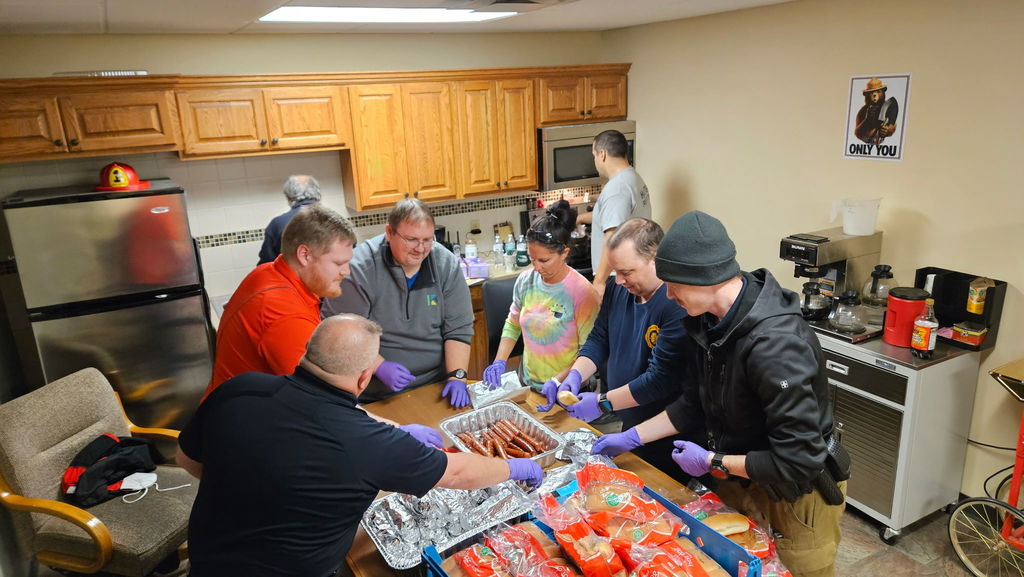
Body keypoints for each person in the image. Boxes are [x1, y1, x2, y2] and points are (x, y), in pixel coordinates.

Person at [177, 314, 543, 577]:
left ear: (307, 352)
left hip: (206, 562)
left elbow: (186, 460)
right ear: (365, 377)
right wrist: (517, 467)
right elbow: (458, 471)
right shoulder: (367, 444)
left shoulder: (239, 389)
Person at [591, 211, 848, 577]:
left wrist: (713, 462)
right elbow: (692, 404)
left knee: (797, 567)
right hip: (740, 477)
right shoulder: (704, 322)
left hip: (795, 492)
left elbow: (799, 459)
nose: (668, 294)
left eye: (672, 284)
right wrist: (631, 437)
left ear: (702, 279)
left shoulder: (775, 346)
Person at [535, 218, 695, 478]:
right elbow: (599, 339)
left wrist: (603, 404)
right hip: (631, 420)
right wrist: (576, 374)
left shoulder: (675, 304)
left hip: (667, 431)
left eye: (627, 272)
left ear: (655, 259)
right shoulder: (618, 290)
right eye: (615, 271)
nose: (619, 280)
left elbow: (659, 380)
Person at [321, 199, 474, 407]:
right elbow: (341, 335)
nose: (421, 249)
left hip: (435, 386)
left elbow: (458, 329)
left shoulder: (444, 264)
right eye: (411, 239)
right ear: (389, 232)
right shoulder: (359, 269)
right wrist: (379, 366)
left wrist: (457, 376)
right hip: (376, 394)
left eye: (428, 240)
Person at [205, 203, 354, 398]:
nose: (347, 272)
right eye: (338, 263)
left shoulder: (269, 272)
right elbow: (318, 399)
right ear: (305, 255)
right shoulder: (283, 311)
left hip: (230, 408)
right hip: (244, 422)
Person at [482, 200, 600, 393]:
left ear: (564, 253)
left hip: (568, 389)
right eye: (532, 259)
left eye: (544, 260)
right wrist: (499, 362)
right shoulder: (525, 281)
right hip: (529, 385)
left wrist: (556, 382)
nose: (536, 267)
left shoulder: (583, 293)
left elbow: (588, 352)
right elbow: (513, 324)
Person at [577, 129, 650, 300]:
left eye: (594, 155)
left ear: (602, 154)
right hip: (633, 270)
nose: (594, 160)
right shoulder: (633, 178)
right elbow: (612, 216)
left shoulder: (616, 189)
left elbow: (612, 238)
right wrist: (580, 218)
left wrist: (599, 282)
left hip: (617, 278)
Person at [258, 174, 322, 265]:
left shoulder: (277, 224)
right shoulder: (334, 219)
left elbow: (266, 264)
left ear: (288, 197)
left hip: (289, 278)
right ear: (318, 194)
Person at [855, 77, 897, 145]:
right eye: (871, 92)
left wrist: (888, 130)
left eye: (878, 91)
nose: (874, 95)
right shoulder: (863, 111)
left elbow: (892, 124)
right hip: (867, 142)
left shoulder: (887, 107)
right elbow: (858, 133)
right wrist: (867, 120)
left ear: (882, 93)